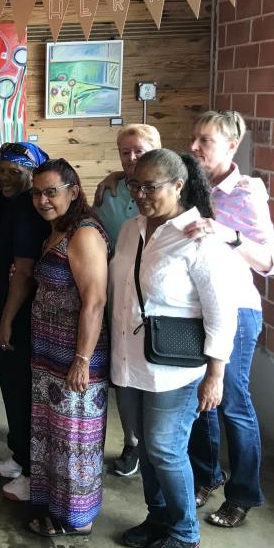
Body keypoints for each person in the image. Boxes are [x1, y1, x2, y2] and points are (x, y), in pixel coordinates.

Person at [108, 149, 238, 548]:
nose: (140, 194)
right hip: (130, 359)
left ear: (178, 186)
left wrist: (215, 374)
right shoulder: (131, 229)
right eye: (135, 185)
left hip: (175, 367)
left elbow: (221, 312)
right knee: (144, 445)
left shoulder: (200, 237)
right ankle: (159, 517)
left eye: (151, 186)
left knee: (165, 448)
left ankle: (185, 530)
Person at [186, 110, 274, 528]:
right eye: (194, 139)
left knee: (233, 402)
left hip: (238, 310)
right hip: (198, 308)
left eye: (204, 140)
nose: (194, 147)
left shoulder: (246, 193)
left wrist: (227, 234)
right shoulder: (193, 184)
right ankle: (207, 475)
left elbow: (272, 262)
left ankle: (244, 494)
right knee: (201, 400)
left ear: (231, 146)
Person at [27, 158, 109, 538]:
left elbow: (94, 301)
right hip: (49, 353)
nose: (43, 199)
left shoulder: (84, 234)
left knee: (77, 438)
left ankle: (79, 519)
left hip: (75, 356)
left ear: (73, 191)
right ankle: (57, 507)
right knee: (53, 434)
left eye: (51, 192)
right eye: (38, 193)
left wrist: (82, 360)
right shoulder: (58, 229)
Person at [0, 142, 51, 501]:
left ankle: (34, 472)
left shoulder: (28, 210)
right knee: (12, 389)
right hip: (2, 310)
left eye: (14, 172)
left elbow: (22, 272)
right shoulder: (10, 205)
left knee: (23, 393)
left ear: (33, 174)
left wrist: (5, 321)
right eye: (1, 171)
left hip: (17, 317)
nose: (5, 178)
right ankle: (21, 455)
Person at [93, 124, 162, 477]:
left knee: (155, 371)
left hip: (157, 297)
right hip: (117, 293)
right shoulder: (110, 191)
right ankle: (133, 442)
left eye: (140, 150)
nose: (132, 158)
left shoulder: (169, 189)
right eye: (125, 153)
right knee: (121, 372)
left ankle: (158, 447)